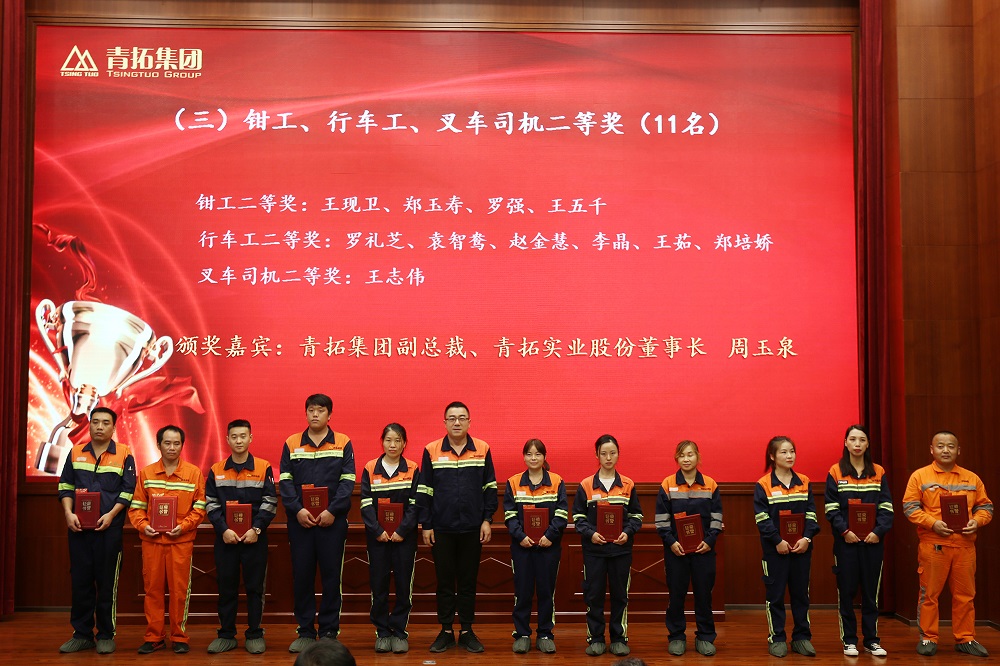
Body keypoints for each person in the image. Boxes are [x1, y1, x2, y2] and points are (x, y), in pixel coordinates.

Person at [417, 401, 498, 653]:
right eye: (452, 418)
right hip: (441, 529)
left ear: (469, 422)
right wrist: (426, 524)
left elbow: (490, 488)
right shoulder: (431, 450)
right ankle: (445, 631)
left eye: (462, 418)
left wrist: (487, 519)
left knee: (467, 582)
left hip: (473, 528)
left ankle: (466, 631)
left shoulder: (482, 449)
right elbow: (424, 490)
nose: (457, 422)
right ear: (444, 423)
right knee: (443, 582)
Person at [903, 430, 993, 658]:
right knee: (929, 595)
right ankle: (928, 638)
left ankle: (965, 638)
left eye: (951, 446)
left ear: (958, 450)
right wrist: (932, 523)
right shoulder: (920, 476)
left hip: (964, 546)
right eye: (940, 446)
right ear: (932, 450)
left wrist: (977, 521)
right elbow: (910, 507)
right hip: (934, 545)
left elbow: (986, 507)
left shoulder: (972, 478)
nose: (946, 450)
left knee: (965, 595)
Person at [279, 394, 357, 652]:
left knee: (331, 577)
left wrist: (332, 511)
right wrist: (298, 510)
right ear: (306, 413)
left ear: (329, 415)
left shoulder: (342, 442)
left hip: (332, 522)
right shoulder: (292, 443)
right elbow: (285, 482)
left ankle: (328, 631)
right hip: (300, 522)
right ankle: (304, 630)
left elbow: (347, 482)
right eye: (311, 410)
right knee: (302, 575)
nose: (315, 414)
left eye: (320, 410)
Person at [57, 407, 136, 655]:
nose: (100, 427)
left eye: (105, 423)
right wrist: (68, 513)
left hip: (108, 531)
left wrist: (111, 515)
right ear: (89, 425)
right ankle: (82, 635)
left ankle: (105, 634)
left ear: (114, 427)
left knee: (107, 583)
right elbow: (65, 486)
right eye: (95, 422)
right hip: (79, 530)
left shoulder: (124, 454)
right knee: (80, 582)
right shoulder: (76, 452)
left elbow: (128, 491)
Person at [128, 424, 207, 654]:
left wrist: (183, 527)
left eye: (176, 443)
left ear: (182, 445)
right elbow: (136, 507)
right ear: (158, 445)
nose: (172, 447)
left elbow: (200, 508)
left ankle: (179, 637)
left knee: (179, 592)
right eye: (167, 443)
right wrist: (144, 526)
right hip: (152, 542)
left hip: (180, 542)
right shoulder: (147, 473)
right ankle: (154, 637)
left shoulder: (194, 473)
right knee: (152, 591)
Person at [204, 419, 278, 654]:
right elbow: (211, 503)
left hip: (254, 538)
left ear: (250, 438)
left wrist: (256, 529)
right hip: (225, 539)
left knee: (255, 588)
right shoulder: (216, 469)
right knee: (226, 587)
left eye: (243, 436)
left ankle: (254, 633)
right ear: (227, 439)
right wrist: (223, 530)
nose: (238, 441)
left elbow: (270, 501)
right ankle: (226, 634)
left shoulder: (263, 467)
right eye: (234, 437)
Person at [824, 425, 893, 657]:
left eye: (862, 440)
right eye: (852, 439)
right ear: (845, 442)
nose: (857, 444)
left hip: (873, 542)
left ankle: (872, 640)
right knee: (847, 592)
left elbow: (886, 506)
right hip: (846, 543)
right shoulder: (836, 471)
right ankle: (849, 640)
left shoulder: (878, 471)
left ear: (867, 444)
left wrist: (878, 531)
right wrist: (845, 532)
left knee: (871, 594)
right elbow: (831, 508)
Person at [573, 434, 643, 658]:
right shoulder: (586, 485)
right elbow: (578, 518)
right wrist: (591, 534)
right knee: (593, 595)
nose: (608, 457)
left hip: (621, 550)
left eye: (612, 453)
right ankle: (595, 638)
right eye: (604, 453)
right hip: (594, 551)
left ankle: (619, 638)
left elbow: (637, 516)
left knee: (620, 596)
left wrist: (627, 532)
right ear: (597, 455)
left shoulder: (628, 485)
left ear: (618, 454)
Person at [655, 440, 723, 657]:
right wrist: (671, 542)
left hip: (704, 551)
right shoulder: (668, 484)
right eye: (682, 455)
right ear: (677, 458)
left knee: (704, 595)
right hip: (676, 551)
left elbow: (717, 518)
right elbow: (661, 520)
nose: (686, 459)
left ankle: (705, 637)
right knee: (676, 595)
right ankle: (676, 636)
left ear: (698, 457)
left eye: (690, 454)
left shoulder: (710, 484)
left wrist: (709, 541)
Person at [753, 435, 819, 658]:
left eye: (792, 451)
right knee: (775, 596)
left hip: (802, 550)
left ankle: (801, 638)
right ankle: (777, 638)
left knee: (801, 596)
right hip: (775, 551)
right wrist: (778, 541)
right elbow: (762, 518)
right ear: (772, 456)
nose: (789, 456)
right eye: (783, 452)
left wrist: (806, 539)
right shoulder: (763, 484)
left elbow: (811, 514)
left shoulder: (804, 481)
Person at [504, 438, 568, 654]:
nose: (533, 458)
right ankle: (522, 634)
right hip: (521, 547)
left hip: (548, 547)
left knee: (546, 591)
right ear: (524, 457)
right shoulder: (513, 482)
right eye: (529, 454)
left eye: (538, 454)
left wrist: (550, 536)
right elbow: (509, 515)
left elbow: (562, 514)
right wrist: (520, 536)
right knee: (522, 592)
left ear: (544, 457)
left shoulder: (557, 481)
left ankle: (545, 634)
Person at [359, 423, 420, 654]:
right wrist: (377, 531)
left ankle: (399, 632)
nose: (392, 445)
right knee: (379, 585)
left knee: (404, 585)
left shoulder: (413, 468)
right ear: (382, 442)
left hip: (405, 538)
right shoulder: (370, 468)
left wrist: (402, 530)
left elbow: (415, 504)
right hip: (378, 538)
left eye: (397, 440)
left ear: (404, 443)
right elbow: (365, 503)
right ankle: (382, 632)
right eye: (388, 440)